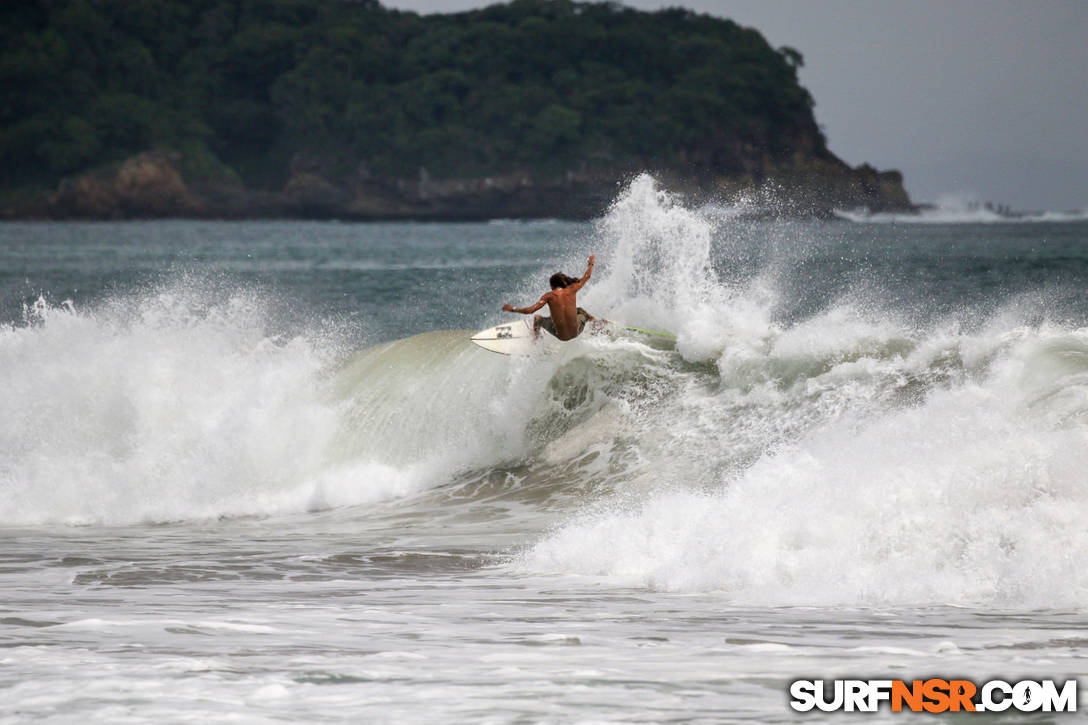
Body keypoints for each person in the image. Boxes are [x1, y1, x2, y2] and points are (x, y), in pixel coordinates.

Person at [502, 255, 597, 341]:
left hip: (561, 337)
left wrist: (513, 309)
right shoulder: (572, 289)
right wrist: (591, 263)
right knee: (581, 311)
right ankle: (595, 323)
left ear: (552, 286)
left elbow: (530, 310)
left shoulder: (549, 296)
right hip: (576, 332)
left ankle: (535, 339)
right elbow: (587, 276)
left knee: (538, 318)